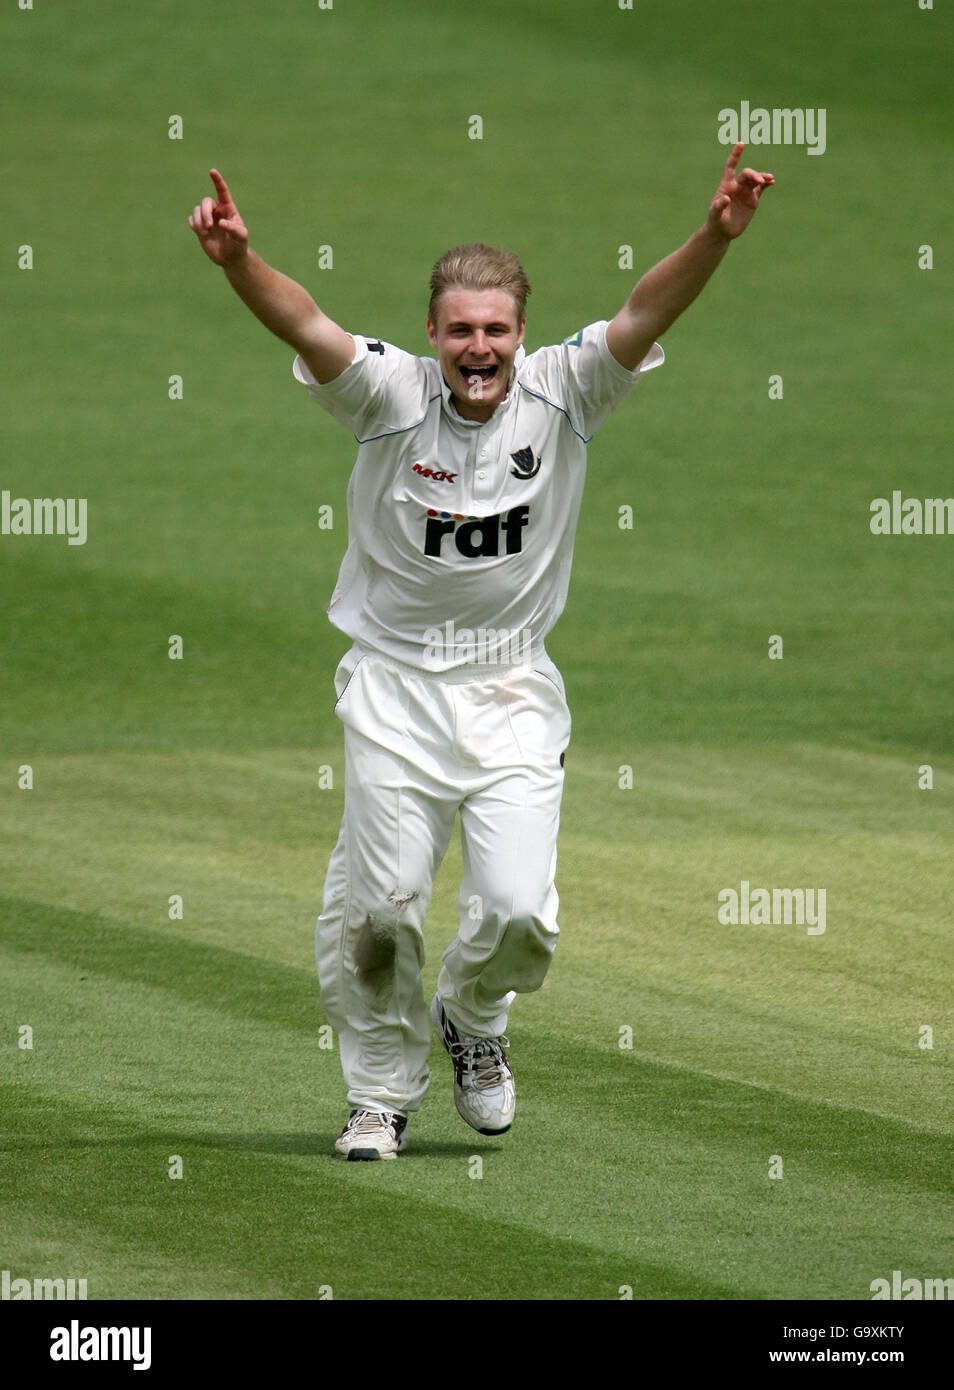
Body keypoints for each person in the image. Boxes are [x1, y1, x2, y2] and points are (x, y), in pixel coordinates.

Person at [189, 145, 774, 1160]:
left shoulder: (567, 393)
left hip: (509, 687)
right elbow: (306, 322)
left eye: (495, 329)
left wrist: (715, 236)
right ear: (431, 332)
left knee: (518, 917)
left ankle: (473, 1014)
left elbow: (644, 314)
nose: (478, 347)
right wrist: (242, 263)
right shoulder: (387, 395)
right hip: (395, 688)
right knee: (380, 912)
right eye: (460, 328)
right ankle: (379, 1096)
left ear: (521, 333)